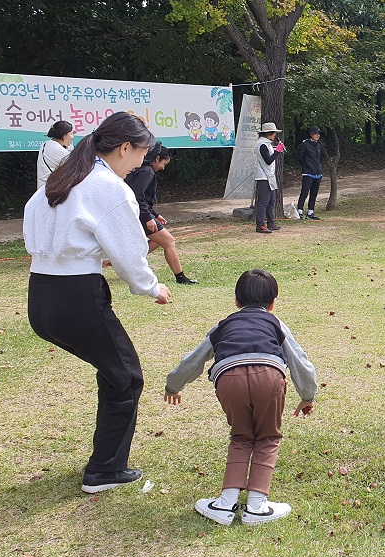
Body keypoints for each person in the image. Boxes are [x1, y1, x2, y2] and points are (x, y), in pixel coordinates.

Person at [23, 112, 172, 493]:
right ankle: (104, 471)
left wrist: (86, 255)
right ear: (125, 148)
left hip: (41, 297)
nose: (141, 162)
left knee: (114, 372)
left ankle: (104, 465)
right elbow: (130, 252)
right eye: (141, 153)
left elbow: (50, 233)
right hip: (77, 299)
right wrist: (153, 288)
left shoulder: (63, 179)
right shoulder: (108, 185)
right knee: (126, 377)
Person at [164, 269, 316, 526]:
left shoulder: (223, 326)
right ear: (273, 303)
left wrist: (173, 386)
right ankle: (257, 506)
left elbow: (194, 359)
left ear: (236, 301)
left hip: (228, 380)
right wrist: (308, 395)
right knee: (267, 437)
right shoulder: (276, 324)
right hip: (270, 378)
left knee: (241, 436)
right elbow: (299, 361)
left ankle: (225, 504)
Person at [124, 144, 197, 285]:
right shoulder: (147, 172)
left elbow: (142, 198)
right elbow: (138, 197)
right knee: (169, 241)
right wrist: (148, 218)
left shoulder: (140, 170)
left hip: (138, 212)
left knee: (159, 241)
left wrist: (155, 215)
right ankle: (181, 278)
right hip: (139, 214)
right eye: (164, 163)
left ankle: (124, 260)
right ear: (157, 159)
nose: (163, 167)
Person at [254, 123, 286, 233]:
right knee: (264, 201)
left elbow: (269, 154)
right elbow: (268, 160)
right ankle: (260, 225)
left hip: (269, 176)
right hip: (263, 176)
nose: (275, 136)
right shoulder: (262, 144)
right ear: (269, 133)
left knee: (272, 200)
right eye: (274, 133)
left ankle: (271, 223)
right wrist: (277, 151)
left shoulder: (266, 144)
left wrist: (276, 149)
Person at [36, 120, 74, 190]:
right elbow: (76, 168)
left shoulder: (46, 144)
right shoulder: (57, 149)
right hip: (54, 191)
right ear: (63, 135)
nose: (73, 137)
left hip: (45, 189)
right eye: (71, 134)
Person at [297, 127, 324, 221]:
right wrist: (306, 166)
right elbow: (300, 157)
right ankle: (299, 211)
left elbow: (319, 158)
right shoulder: (305, 144)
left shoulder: (318, 145)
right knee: (304, 192)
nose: (318, 135)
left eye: (319, 134)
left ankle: (310, 212)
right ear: (311, 134)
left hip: (317, 172)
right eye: (316, 133)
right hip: (308, 172)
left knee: (314, 193)